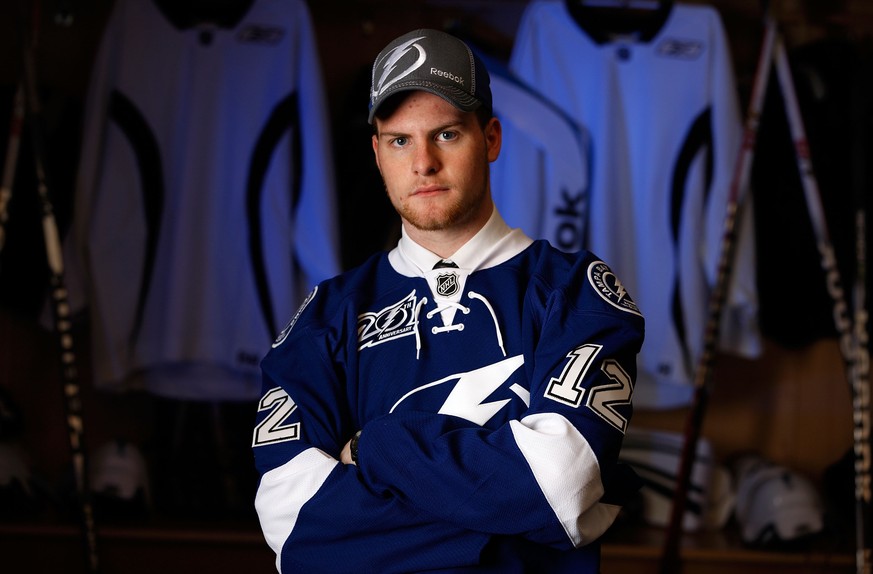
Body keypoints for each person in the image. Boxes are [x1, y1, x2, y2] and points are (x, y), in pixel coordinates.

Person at [252, 28, 645, 573]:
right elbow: (292, 522)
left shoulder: (574, 293)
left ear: (491, 138)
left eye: (446, 135)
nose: (423, 164)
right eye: (399, 141)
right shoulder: (324, 317)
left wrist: (374, 450)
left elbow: (556, 490)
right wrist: (506, 533)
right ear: (376, 151)